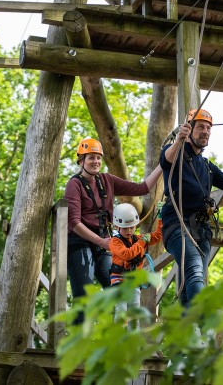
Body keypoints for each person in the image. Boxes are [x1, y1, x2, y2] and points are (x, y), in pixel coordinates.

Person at [65, 137, 162, 324]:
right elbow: (74, 222)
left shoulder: (107, 180)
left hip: (104, 244)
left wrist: (162, 166)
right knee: (83, 295)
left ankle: (116, 340)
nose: (95, 162)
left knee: (119, 292)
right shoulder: (74, 185)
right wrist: (102, 241)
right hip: (80, 242)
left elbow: (142, 188)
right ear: (81, 161)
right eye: (91, 157)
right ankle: (80, 344)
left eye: (98, 158)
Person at [159, 109, 223, 308]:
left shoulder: (207, 166)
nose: (205, 132)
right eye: (200, 127)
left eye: (208, 128)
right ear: (189, 130)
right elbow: (166, 160)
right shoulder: (176, 153)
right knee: (195, 270)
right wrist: (178, 140)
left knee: (189, 280)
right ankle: (202, 321)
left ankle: (187, 330)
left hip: (201, 230)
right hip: (177, 224)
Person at [109, 202, 163, 329]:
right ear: (117, 227)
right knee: (121, 311)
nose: (129, 231)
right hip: (119, 281)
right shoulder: (115, 242)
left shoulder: (138, 239)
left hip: (133, 282)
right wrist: (141, 242)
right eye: (125, 228)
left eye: (132, 227)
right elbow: (127, 254)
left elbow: (158, 236)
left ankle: (134, 345)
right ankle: (116, 341)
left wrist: (161, 217)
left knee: (134, 315)